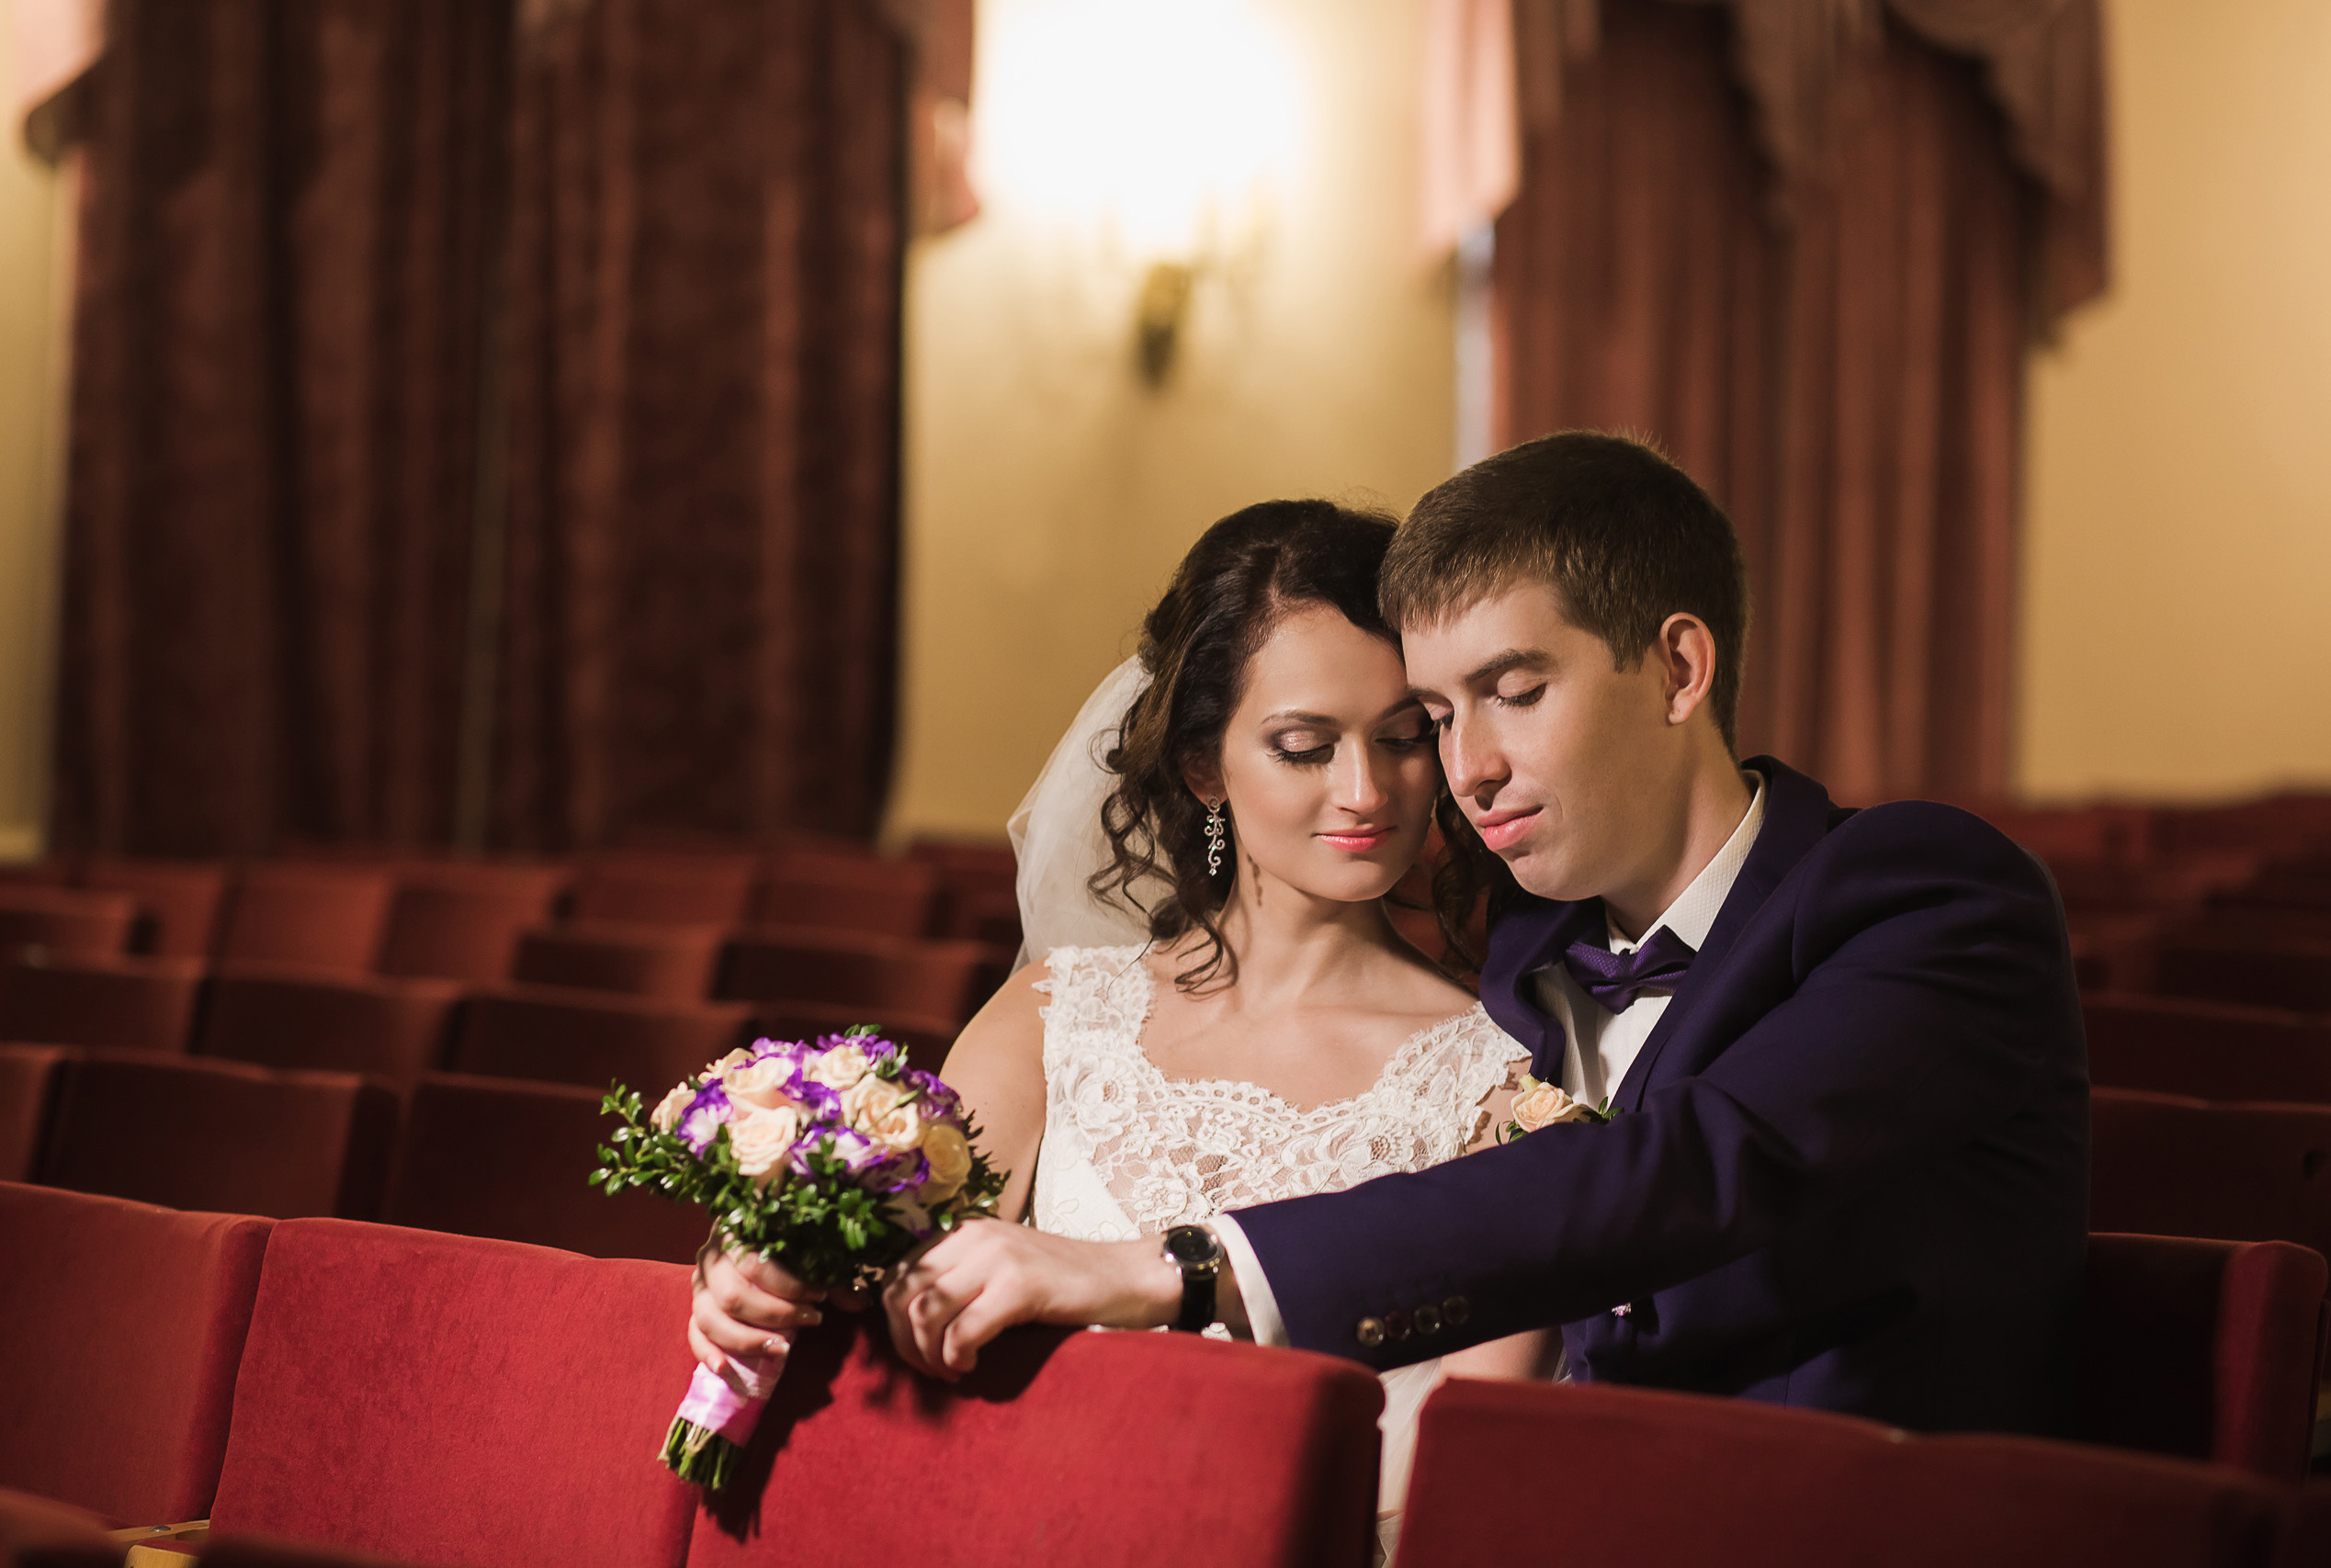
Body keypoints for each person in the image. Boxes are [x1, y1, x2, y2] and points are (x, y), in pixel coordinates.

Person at [842, 431, 2088, 1437]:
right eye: (1438, 713)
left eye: (1514, 691)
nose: (1460, 770)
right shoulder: (1524, 958)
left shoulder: (1928, 895)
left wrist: (1174, 1269)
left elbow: (1694, 1165)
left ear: (1678, 668)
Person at [690, 499, 1547, 1537]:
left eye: (1405, 738)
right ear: (1203, 769)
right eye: (1303, 746)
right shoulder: (1054, 1016)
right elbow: (891, 1291)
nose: (1366, 790)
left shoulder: (1502, 1088)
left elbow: (1470, 1490)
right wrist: (757, 1269)